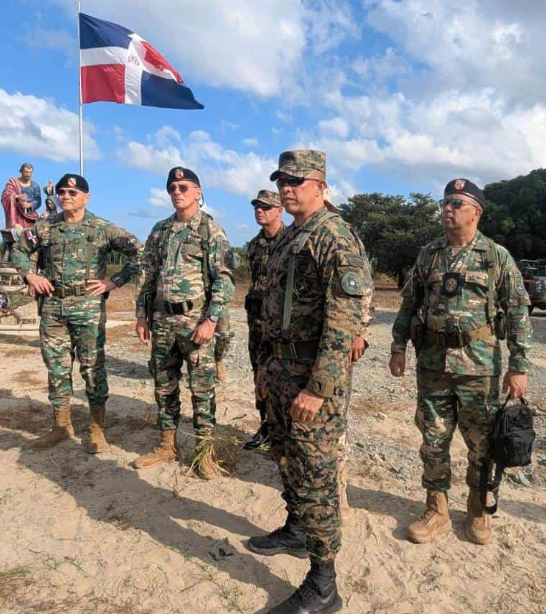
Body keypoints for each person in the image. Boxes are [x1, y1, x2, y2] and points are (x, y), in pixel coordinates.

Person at [247, 150, 372, 614]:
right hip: (279, 371)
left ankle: (323, 586)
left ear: (320, 185)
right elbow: (266, 310)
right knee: (286, 457)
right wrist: (263, 367)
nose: (286, 187)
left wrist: (317, 389)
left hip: (310, 378)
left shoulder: (334, 237)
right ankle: (298, 529)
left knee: (316, 474)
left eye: (297, 180)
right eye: (282, 179)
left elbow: (343, 326)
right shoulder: (288, 238)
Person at [388, 178, 532, 546]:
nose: (447, 209)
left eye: (456, 203)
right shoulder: (429, 255)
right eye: (445, 203)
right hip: (433, 365)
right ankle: (436, 510)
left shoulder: (495, 256)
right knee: (433, 440)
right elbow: (409, 304)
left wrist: (519, 366)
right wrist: (398, 347)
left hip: (479, 367)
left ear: (476, 212)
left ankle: (477, 509)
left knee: (481, 444)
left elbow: (517, 312)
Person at [9, 174, 144, 454]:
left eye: (72, 192)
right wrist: (31, 276)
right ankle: (61, 426)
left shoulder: (102, 228)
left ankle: (96, 428)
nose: (65, 196)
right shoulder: (46, 227)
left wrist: (113, 282)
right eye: (61, 192)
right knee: (56, 367)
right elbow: (19, 251)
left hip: (87, 308)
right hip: (53, 308)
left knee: (92, 367)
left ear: (86, 197)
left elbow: (140, 254)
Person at [133, 167, 235, 480]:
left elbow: (225, 280)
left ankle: (204, 453)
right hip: (163, 320)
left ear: (199, 192)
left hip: (196, 321)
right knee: (164, 386)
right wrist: (141, 314)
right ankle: (167, 444)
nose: (178, 192)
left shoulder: (210, 231)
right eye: (173, 187)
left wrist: (212, 320)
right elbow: (147, 274)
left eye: (184, 187)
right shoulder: (160, 230)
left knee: (202, 389)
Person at [241, 189, 284, 450]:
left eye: (266, 207)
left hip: (283, 326)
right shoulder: (254, 246)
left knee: (284, 378)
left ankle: (284, 433)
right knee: (259, 375)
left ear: (279, 210)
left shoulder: (293, 241)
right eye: (257, 206)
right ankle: (266, 426)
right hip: (257, 324)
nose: (260, 210)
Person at [0, 163, 49, 229]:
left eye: (30, 172)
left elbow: (38, 201)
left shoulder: (35, 186)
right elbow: (6, 194)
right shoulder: (13, 182)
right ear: (21, 171)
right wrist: (16, 196)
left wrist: (30, 205)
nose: (28, 174)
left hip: (31, 217)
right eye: (26, 172)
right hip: (17, 215)